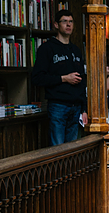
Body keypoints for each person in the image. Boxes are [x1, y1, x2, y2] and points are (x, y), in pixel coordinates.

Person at [31, 10, 88, 145]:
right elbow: (37, 78)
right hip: (58, 106)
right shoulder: (46, 49)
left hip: (76, 107)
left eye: (71, 22)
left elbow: (82, 81)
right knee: (57, 149)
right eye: (64, 21)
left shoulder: (76, 50)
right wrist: (63, 78)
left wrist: (84, 109)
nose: (68, 25)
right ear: (56, 25)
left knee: (72, 149)